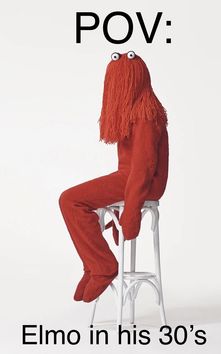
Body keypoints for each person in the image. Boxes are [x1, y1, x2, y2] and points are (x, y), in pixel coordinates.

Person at [58, 51, 169, 303]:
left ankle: (102, 265)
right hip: (128, 177)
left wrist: (131, 210)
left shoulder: (145, 114)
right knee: (71, 200)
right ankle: (93, 263)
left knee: (70, 200)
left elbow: (143, 168)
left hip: (141, 182)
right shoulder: (137, 111)